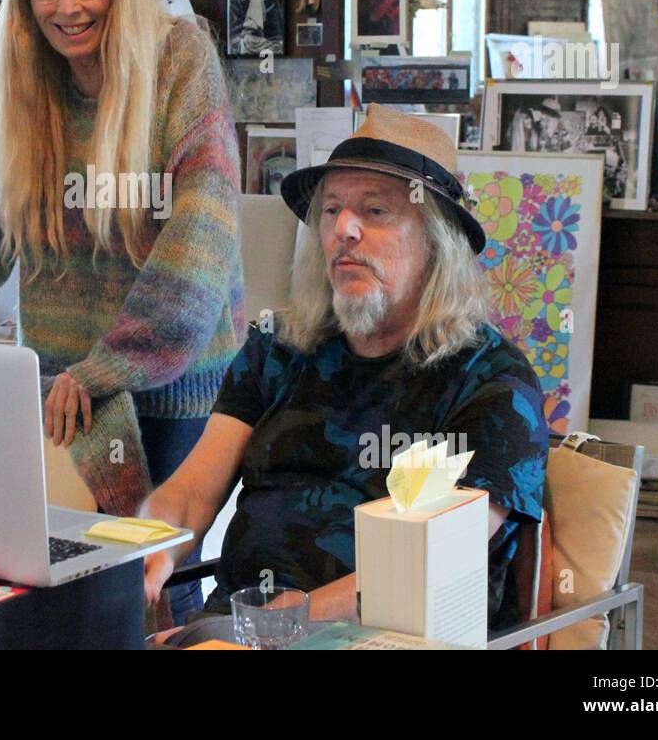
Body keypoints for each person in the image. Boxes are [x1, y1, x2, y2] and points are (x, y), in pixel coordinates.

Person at [0, 0, 246, 625]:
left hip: (176, 385)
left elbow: (203, 241)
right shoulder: (20, 81)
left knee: (155, 591)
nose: (66, 5)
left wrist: (101, 372)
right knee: (60, 592)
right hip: (60, 397)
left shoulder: (180, 59)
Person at [141, 105, 549, 631]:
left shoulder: (493, 382)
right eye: (331, 210)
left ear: (437, 241)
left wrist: (284, 622)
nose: (343, 230)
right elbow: (194, 489)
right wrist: (150, 545)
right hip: (240, 630)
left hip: (386, 637)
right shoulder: (278, 348)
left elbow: (430, 560)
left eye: (375, 211)